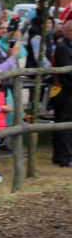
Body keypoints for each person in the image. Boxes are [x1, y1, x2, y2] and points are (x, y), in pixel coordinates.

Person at [51, 18, 72, 167]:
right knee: (63, 125)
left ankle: (64, 155)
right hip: (64, 92)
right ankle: (63, 157)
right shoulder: (62, 47)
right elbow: (66, 72)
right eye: (71, 30)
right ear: (65, 31)